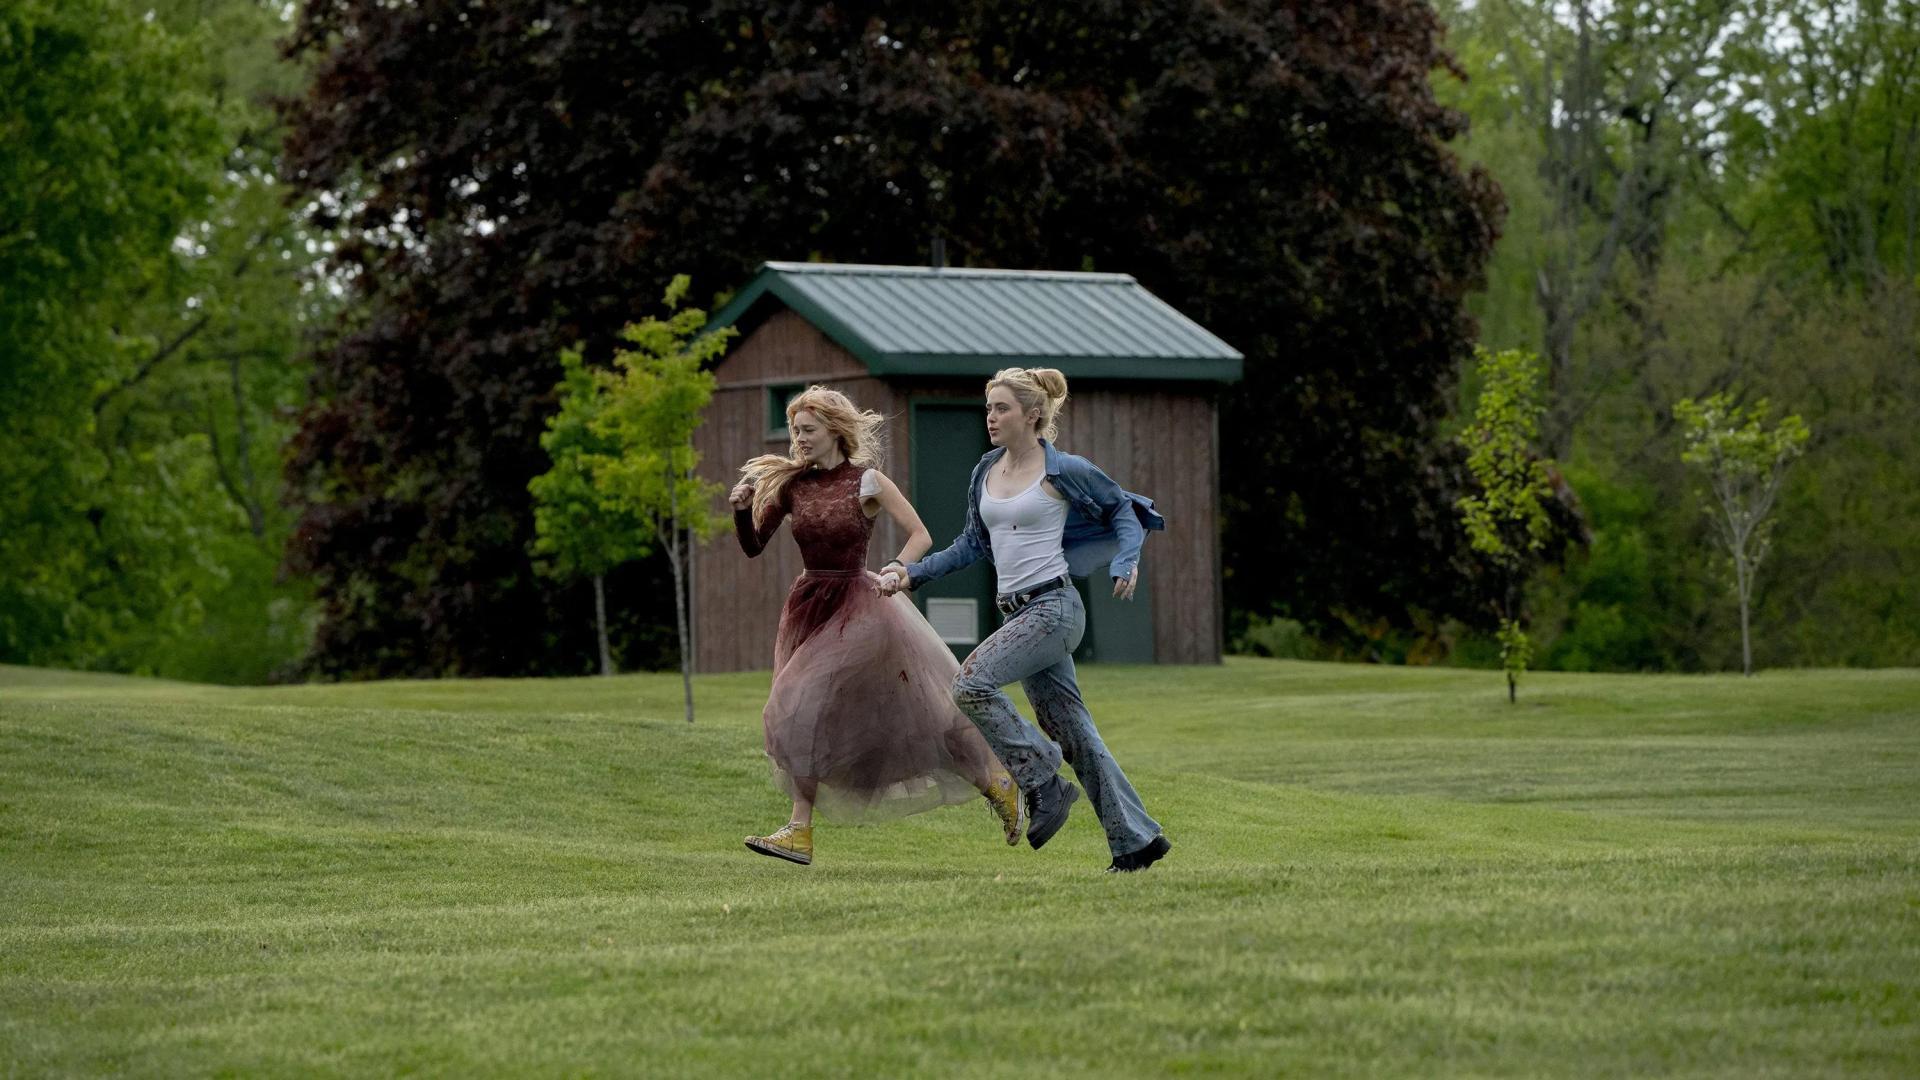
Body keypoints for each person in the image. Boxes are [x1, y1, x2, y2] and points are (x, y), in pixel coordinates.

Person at [877, 368, 1172, 873]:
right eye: (988, 408)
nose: (990, 417)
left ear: (1032, 415)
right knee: (1075, 734)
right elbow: (971, 544)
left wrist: (1127, 560)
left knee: (970, 684)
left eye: (1002, 408)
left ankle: (1042, 780)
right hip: (1018, 613)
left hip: (1054, 609)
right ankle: (1136, 843)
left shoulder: (1064, 469)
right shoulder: (985, 471)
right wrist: (911, 573)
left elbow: (1123, 511)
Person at [732, 386, 1025, 866]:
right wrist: (742, 511)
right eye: (795, 431)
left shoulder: (866, 481)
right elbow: (752, 546)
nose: (799, 439)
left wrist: (896, 568)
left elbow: (921, 534)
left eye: (808, 430)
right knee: (903, 720)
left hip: (862, 606)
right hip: (811, 607)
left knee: (799, 703)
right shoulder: (792, 486)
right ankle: (995, 784)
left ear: (834, 431)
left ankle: (800, 829)